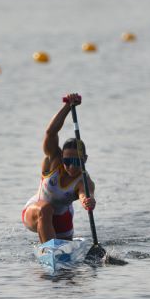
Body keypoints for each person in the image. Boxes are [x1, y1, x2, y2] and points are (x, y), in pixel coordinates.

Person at [22, 94, 96, 243]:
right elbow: (51, 132)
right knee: (46, 209)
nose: (72, 166)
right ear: (62, 157)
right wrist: (67, 106)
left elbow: (84, 195)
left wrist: (88, 201)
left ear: (85, 160)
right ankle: (49, 249)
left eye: (77, 161)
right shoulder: (54, 160)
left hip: (63, 219)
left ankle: (52, 246)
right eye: (67, 160)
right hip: (35, 211)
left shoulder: (85, 182)